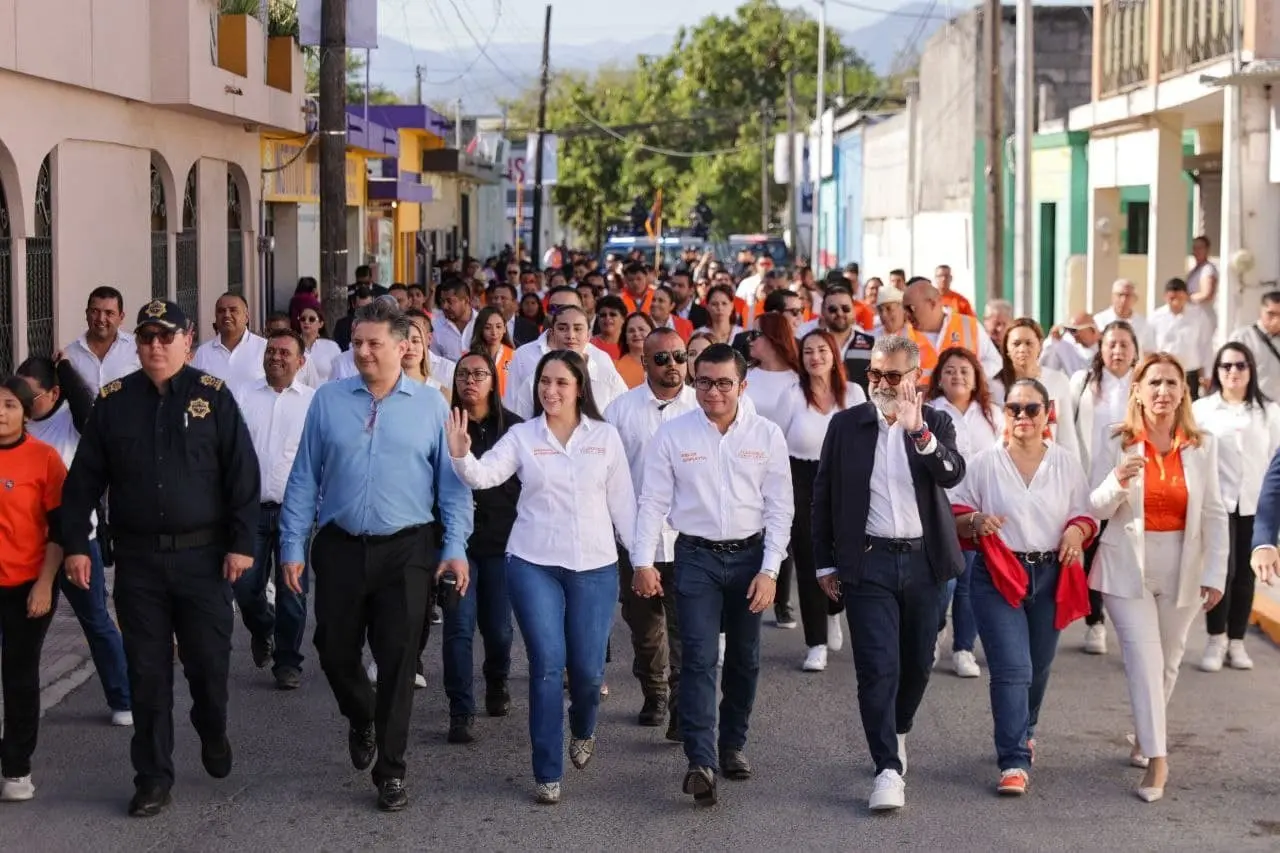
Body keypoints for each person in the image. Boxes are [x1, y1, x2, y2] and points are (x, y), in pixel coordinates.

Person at [60, 299, 260, 818]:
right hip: (139, 562)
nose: (154, 346)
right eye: (146, 337)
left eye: (164, 336)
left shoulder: (212, 397)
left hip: (204, 560)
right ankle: (152, 777)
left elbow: (242, 475)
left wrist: (243, 542)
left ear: (187, 341)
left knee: (209, 668)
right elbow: (83, 482)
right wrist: (77, 545)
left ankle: (211, 728)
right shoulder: (114, 401)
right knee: (147, 676)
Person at [279, 299, 473, 813]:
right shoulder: (328, 401)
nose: (363, 352)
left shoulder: (432, 405)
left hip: (408, 547)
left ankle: (391, 768)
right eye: (357, 343)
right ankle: (362, 715)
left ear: (404, 345)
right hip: (341, 544)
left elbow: (452, 488)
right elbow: (303, 479)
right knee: (334, 649)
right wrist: (292, 545)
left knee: (397, 657)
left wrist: (454, 548)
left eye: (374, 343)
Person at [446, 350, 636, 806]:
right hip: (532, 562)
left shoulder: (605, 437)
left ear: (579, 389)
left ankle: (584, 727)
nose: (549, 391)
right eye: (543, 383)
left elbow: (624, 507)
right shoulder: (522, 436)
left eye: (560, 383)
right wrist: (461, 455)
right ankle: (547, 770)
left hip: (594, 565)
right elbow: (484, 476)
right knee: (548, 665)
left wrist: (644, 562)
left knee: (588, 673)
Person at [632, 344, 792, 807]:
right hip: (696, 558)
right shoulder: (673, 435)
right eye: (704, 381)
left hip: (750, 557)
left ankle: (732, 745)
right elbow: (653, 502)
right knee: (698, 659)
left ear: (742, 386)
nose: (713, 391)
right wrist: (643, 561)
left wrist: (770, 569)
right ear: (691, 381)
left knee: (745, 660)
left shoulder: (766, 435)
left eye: (724, 383)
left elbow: (781, 507)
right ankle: (700, 762)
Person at [812, 335, 966, 811]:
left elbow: (951, 473)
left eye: (891, 376)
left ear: (915, 378)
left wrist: (919, 433)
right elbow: (823, 499)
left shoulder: (936, 421)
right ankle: (886, 769)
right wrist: (824, 562)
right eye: (874, 374)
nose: (879, 383)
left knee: (917, 662)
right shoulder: (845, 425)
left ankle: (898, 729)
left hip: (925, 561)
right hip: (869, 561)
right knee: (877, 667)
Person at [1087, 352, 1227, 802]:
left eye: (1171, 383)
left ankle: (1146, 737)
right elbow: (1095, 506)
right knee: (1145, 661)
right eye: (1154, 383)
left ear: (1184, 391)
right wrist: (1117, 480)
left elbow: (1215, 514)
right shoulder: (1115, 438)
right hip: (1127, 563)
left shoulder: (1202, 444)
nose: (1163, 392)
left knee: (1167, 662)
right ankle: (1158, 762)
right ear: (1138, 391)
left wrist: (1215, 572)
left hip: (1183, 563)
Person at [950, 378, 1096, 795]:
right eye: (1014, 408)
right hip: (998, 573)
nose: (1022, 417)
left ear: (1047, 412)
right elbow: (957, 512)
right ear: (1003, 412)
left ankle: (1026, 727)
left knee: (1039, 664)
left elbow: (1086, 514)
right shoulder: (983, 462)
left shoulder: (1065, 462)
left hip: (1051, 572)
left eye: (1031, 409)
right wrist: (976, 522)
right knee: (1012, 669)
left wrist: (1075, 533)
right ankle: (1013, 760)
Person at [17, 356, 131, 725]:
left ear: (53, 393)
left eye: (28, 395)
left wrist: (66, 369)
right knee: (18, 634)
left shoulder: (72, 421)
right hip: (26, 549)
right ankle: (20, 706)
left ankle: (123, 698)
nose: (20, 403)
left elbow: (92, 412)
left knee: (95, 620)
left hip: (76, 545)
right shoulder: (16, 427)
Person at [605, 328, 698, 740]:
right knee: (645, 633)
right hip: (636, 541)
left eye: (679, 357)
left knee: (686, 631)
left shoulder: (703, 407)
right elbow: (608, 477)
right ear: (644, 362)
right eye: (661, 359)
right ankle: (655, 692)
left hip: (690, 541)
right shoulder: (619, 411)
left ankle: (681, 708)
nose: (672, 366)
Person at [441, 351, 520, 744]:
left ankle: (497, 680)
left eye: (479, 374)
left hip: (502, 542)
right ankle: (460, 709)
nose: (470, 381)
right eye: (462, 374)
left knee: (499, 630)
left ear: (493, 381)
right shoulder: (440, 426)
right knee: (458, 626)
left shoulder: (515, 430)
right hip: (456, 543)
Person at [230, 329, 315, 690]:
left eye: (285, 352)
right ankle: (263, 627)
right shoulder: (242, 396)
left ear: (301, 361)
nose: (276, 357)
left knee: (292, 591)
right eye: (271, 351)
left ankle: (287, 662)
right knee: (245, 587)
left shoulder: (314, 402)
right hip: (249, 510)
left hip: (294, 512)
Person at [777, 330, 865, 672]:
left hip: (845, 481)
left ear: (834, 354)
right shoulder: (792, 395)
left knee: (844, 556)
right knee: (811, 558)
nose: (815, 357)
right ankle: (815, 642)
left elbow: (867, 439)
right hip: (800, 478)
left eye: (822, 350)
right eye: (808, 351)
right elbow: (777, 444)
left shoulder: (854, 393)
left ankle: (834, 611)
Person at [1192, 342, 1280, 672]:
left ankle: (1237, 641)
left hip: (1255, 505)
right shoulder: (1202, 410)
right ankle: (1216, 639)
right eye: (1226, 366)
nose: (1233, 372)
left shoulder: (1268, 412)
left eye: (1240, 365)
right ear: (1216, 372)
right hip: (1217, 503)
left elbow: (1276, 461)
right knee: (1221, 573)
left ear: (1251, 370)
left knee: (1246, 575)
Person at [0, 376, 66, 803]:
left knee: (19, 676)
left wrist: (44, 583)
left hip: (27, 584)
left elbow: (61, 531)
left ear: (25, 412)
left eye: (8, 405)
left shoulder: (44, 459)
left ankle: (17, 768)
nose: (0, 413)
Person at [926, 347, 1004, 679]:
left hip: (977, 508)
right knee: (943, 581)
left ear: (976, 379)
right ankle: (931, 637)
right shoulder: (929, 411)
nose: (957, 376)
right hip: (939, 507)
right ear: (939, 378)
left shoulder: (993, 415)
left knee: (969, 582)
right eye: (950, 371)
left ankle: (963, 648)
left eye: (964, 371)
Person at [1068, 320, 1142, 654]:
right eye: (1111, 344)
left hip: (1131, 484)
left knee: (1129, 553)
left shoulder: (1143, 384)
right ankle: (1095, 623)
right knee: (1093, 554)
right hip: (1090, 482)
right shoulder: (1083, 383)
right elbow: (1067, 429)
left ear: (1135, 350)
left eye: (1124, 344)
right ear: (1100, 348)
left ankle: (1131, 626)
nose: (1117, 351)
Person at [743, 313, 802, 629]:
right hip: (745, 461)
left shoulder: (796, 377)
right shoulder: (745, 375)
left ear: (773, 339)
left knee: (782, 531)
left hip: (783, 462)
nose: (751, 341)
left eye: (757, 335)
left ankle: (781, 600)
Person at [506, 305, 628, 419]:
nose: (570, 335)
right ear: (552, 333)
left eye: (578, 329)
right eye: (562, 328)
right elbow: (518, 420)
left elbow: (624, 417)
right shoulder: (536, 379)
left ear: (588, 335)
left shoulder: (607, 376)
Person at [991, 319, 1081, 459]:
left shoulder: (1058, 381)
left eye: (1028, 343)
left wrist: (1073, 470)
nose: (1022, 349)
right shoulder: (994, 386)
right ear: (1007, 349)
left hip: (1049, 466)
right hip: (1006, 466)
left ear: (1040, 345)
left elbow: (1066, 435)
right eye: (1016, 344)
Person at [902, 280, 1003, 385]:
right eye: (904, 309)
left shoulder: (968, 325)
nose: (907, 314)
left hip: (965, 400)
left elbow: (994, 362)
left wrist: (968, 379)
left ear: (932, 304)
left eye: (911, 308)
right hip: (924, 400)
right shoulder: (905, 335)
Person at [60, 285, 141, 395]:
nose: (101, 319)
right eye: (95, 311)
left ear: (121, 318)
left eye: (109, 313)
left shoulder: (137, 348)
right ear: (86, 314)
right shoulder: (70, 355)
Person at [192, 292, 268, 395]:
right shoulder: (203, 352)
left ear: (246, 317)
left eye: (233, 310)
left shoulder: (265, 348)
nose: (227, 315)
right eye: (221, 311)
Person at [1150, 278, 1214, 400]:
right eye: (1171, 298)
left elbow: (1205, 345)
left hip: (1190, 374)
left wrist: (1207, 374)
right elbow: (1150, 348)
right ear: (1165, 297)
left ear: (1186, 296)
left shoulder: (1198, 316)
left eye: (1179, 298)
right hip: (1164, 373)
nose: (1175, 303)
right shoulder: (1155, 318)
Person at [1228, 289, 1280, 400]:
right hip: (1253, 406)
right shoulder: (1242, 337)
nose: (1276, 320)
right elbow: (1230, 374)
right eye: (1271, 314)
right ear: (1260, 311)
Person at [1094, 279, 1155, 353]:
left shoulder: (1143, 323)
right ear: (1112, 297)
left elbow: (1148, 351)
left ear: (1135, 298)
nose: (1123, 300)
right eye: (1120, 295)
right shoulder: (1099, 320)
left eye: (1128, 295)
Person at [467, 306, 516, 398]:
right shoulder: (471, 358)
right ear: (480, 330)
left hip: (507, 409)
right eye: (487, 327)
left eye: (498, 327)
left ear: (505, 328)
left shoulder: (514, 356)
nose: (494, 332)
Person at [1041, 313, 1100, 378]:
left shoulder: (1106, 348)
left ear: (1092, 330)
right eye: (1068, 329)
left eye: (1074, 330)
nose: (1072, 334)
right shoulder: (1067, 347)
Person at [433, 278, 478, 362]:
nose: (444, 306)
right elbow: (434, 363)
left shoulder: (483, 323)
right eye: (442, 301)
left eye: (450, 301)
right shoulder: (436, 326)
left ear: (466, 300)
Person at [296, 305, 343, 384]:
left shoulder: (331, 346)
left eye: (311, 319)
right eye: (303, 319)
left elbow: (340, 375)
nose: (306, 322)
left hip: (326, 394)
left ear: (320, 324)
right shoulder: (292, 345)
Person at [616, 312, 656, 389]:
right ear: (625, 338)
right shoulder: (616, 368)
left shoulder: (664, 362)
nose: (636, 334)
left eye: (641, 329)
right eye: (631, 331)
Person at [591, 295, 627, 360]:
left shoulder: (630, 345)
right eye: (603, 315)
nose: (607, 318)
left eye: (613, 314)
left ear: (623, 319)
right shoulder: (589, 345)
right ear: (598, 319)